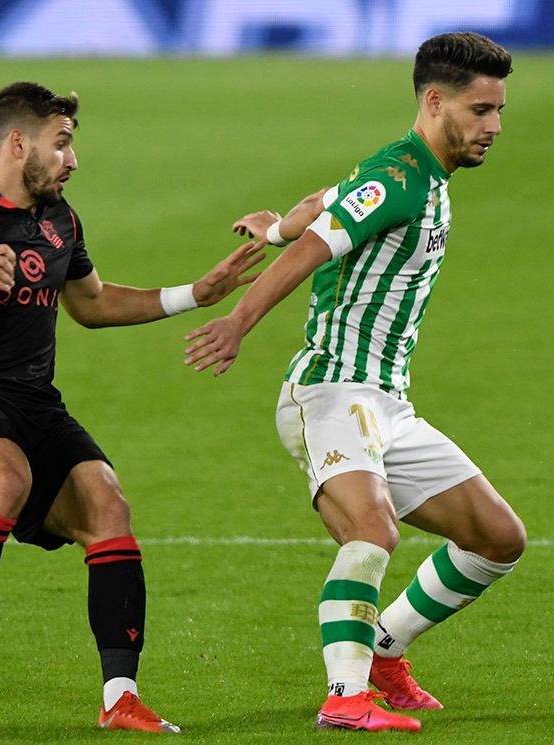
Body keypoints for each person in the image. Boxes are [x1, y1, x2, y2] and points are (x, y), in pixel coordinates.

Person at [0, 81, 264, 734]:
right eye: (63, 144)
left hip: (35, 404)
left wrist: (198, 293)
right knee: (4, 479)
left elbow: (92, 304)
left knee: (108, 505)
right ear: (19, 144)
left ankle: (120, 698)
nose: (73, 161)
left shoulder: (60, 222)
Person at [183, 32, 527, 732]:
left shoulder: (415, 176)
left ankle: (385, 645)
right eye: (481, 109)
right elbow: (319, 246)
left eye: (498, 110)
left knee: (498, 537)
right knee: (372, 530)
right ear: (435, 101)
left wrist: (274, 224)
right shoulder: (402, 176)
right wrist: (239, 321)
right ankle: (346, 694)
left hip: (386, 405)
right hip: (331, 391)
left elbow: (326, 201)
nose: (494, 126)